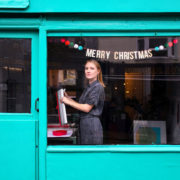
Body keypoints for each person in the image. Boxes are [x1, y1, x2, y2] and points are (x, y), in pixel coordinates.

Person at [61, 59, 105, 144]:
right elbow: (81, 105)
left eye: (92, 68)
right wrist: (69, 99)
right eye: (86, 68)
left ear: (98, 71)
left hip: (91, 125)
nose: (88, 71)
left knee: (90, 154)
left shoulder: (97, 87)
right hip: (85, 124)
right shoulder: (89, 87)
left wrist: (68, 102)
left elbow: (87, 108)